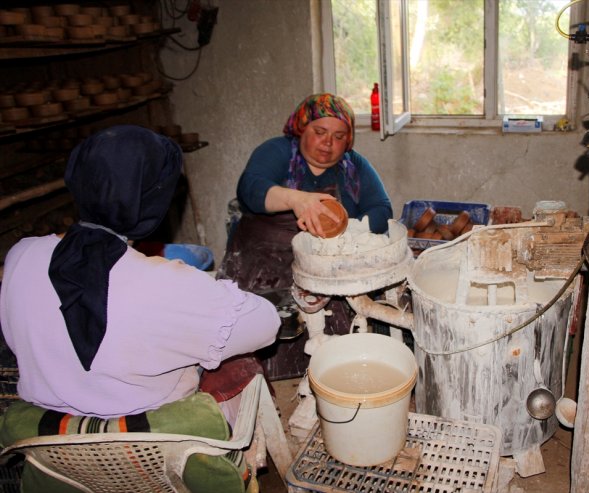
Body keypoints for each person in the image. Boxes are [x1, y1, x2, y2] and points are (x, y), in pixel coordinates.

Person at [0, 125, 281, 426]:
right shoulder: (168, 284)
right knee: (240, 366)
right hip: (146, 441)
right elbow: (266, 324)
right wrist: (214, 292)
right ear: (152, 202)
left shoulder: (22, 255)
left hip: (52, 439)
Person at [212, 93, 393, 386]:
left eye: (339, 136)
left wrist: (346, 231)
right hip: (262, 260)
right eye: (319, 132)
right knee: (253, 330)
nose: (328, 143)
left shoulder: (354, 166)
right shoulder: (277, 152)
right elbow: (251, 189)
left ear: (348, 141)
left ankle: (323, 374)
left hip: (321, 261)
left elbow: (382, 210)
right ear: (300, 130)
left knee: (335, 336)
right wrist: (295, 199)